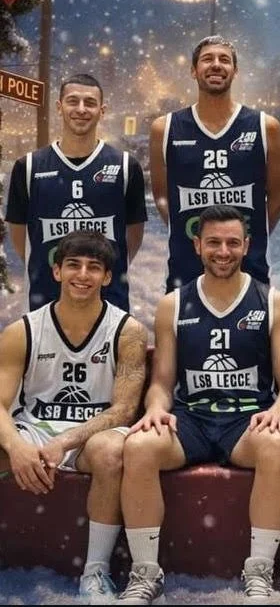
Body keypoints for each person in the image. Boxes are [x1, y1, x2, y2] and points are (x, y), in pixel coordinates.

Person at [117, 205, 280, 604]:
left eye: (233, 243)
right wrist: (155, 408)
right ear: (197, 245)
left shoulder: (272, 302)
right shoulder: (173, 304)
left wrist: (277, 411)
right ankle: (145, 573)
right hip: (192, 420)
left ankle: (259, 571)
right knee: (139, 447)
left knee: (275, 445)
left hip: (246, 420)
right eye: (214, 242)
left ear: (247, 246)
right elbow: (162, 381)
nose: (223, 251)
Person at [0, 231, 147, 601]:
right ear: (57, 272)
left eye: (93, 267)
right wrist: (17, 447)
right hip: (34, 429)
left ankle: (95, 572)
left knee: (110, 452)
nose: (82, 275)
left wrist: (64, 442)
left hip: (91, 436)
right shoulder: (23, 331)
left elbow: (124, 410)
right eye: (73, 265)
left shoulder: (128, 331)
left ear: (107, 277)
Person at [150, 35, 280, 292]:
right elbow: (162, 197)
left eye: (224, 60)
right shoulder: (164, 128)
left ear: (235, 71)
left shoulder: (265, 126)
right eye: (207, 59)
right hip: (186, 268)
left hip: (249, 267)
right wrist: (195, 237)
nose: (216, 65)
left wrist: (245, 237)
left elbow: (278, 198)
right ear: (193, 70)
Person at [5, 74, 147, 312]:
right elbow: (22, 240)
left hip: (109, 303)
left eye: (90, 103)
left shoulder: (125, 166)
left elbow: (132, 238)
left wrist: (98, 270)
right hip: (46, 303)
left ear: (102, 111)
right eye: (73, 101)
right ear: (59, 107)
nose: (81, 109)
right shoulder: (28, 167)